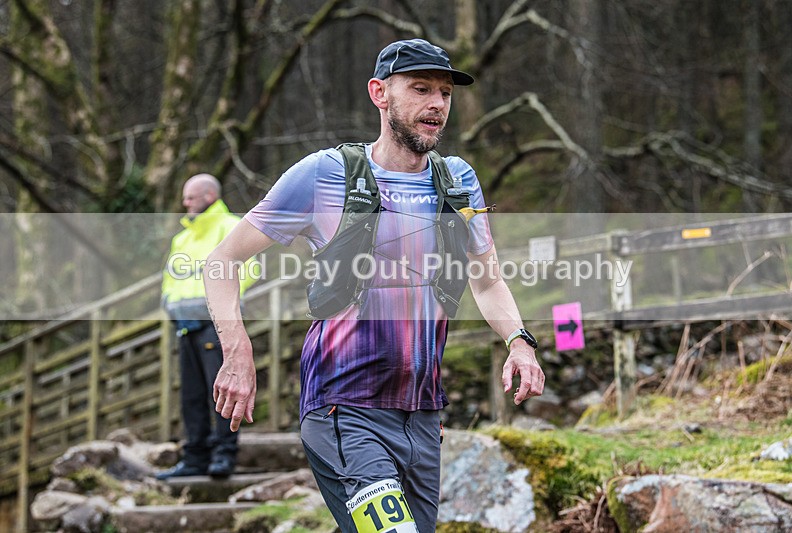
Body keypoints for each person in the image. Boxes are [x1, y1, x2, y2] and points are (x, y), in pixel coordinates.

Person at [203, 39, 545, 531]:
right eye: (421, 89)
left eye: (445, 93)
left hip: (422, 415)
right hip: (345, 409)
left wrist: (519, 342)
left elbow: (488, 281)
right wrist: (236, 351)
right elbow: (222, 260)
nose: (437, 105)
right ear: (379, 93)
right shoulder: (328, 174)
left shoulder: (460, 182)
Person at [157, 173, 259, 479]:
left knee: (222, 392)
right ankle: (195, 458)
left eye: (191, 197)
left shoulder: (230, 227)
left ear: (210, 197)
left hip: (217, 323)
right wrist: (169, 304)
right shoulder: (182, 237)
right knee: (190, 394)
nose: (185, 202)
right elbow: (170, 277)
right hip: (184, 323)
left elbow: (250, 269)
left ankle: (223, 455)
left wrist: (214, 302)